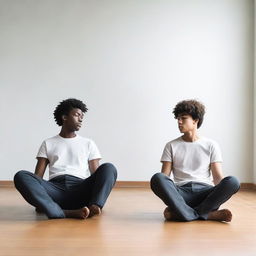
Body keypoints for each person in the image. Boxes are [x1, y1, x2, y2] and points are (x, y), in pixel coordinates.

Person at [14, 98, 117, 219]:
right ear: (64, 117)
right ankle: (64, 212)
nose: (81, 119)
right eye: (77, 115)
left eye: (82, 116)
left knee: (109, 168)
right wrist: (38, 195)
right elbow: (37, 177)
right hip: (55, 190)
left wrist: (96, 196)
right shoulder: (48, 143)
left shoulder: (88, 143)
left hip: (81, 189)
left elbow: (98, 175)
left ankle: (94, 206)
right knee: (21, 175)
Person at [150, 99, 240, 222]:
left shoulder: (211, 145)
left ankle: (184, 213)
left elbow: (218, 178)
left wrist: (222, 191)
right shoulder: (171, 145)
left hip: (206, 193)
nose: (179, 122)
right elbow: (164, 176)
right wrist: (165, 188)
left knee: (233, 181)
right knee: (157, 178)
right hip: (181, 194)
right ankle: (207, 214)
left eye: (183, 118)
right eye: (177, 119)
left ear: (195, 120)